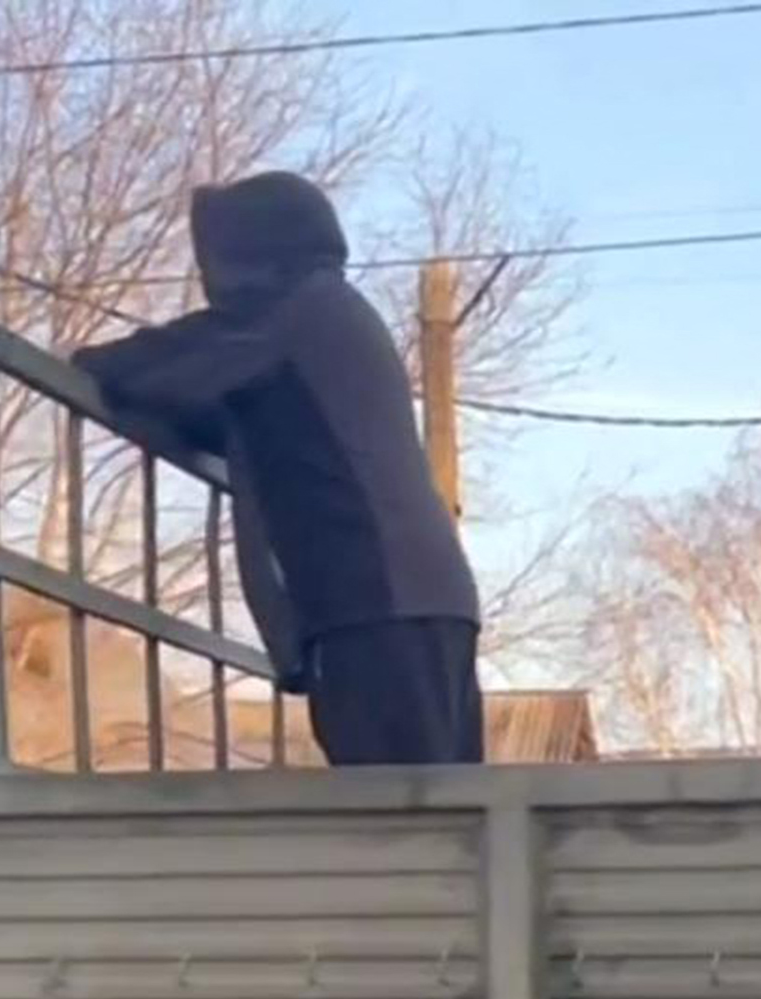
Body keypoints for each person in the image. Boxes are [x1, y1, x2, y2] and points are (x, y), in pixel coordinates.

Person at [71, 171, 483, 766]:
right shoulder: (325, 315)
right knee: (447, 825)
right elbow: (223, 409)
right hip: (418, 601)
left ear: (251, 254)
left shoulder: (287, 313)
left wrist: (84, 365)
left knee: (403, 829)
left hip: (375, 605)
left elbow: (158, 369)